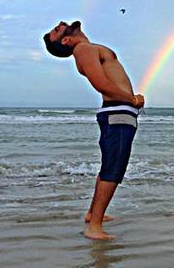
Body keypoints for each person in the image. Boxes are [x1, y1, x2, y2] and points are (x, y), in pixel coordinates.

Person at [43, 20, 145, 240]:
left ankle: (93, 215)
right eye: (57, 30)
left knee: (110, 165)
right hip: (117, 111)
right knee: (114, 168)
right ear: (66, 40)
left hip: (118, 112)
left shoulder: (87, 49)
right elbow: (100, 83)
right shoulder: (83, 49)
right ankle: (94, 227)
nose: (59, 24)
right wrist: (133, 99)